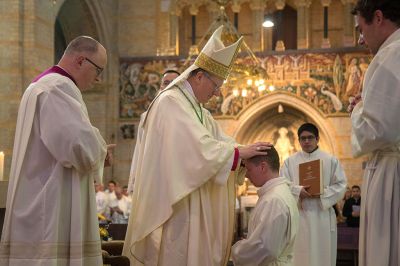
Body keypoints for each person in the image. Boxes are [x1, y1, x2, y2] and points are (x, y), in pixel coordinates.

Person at [122, 26, 271, 266]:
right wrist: (237, 153)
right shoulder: (170, 101)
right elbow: (195, 149)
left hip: (192, 202)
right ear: (199, 76)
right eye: (215, 86)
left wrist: (244, 151)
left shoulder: (198, 110)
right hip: (176, 205)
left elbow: (218, 142)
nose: (217, 93)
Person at [0, 36, 115, 265]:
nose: (98, 79)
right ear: (81, 61)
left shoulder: (41, 86)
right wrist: (101, 151)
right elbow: (76, 145)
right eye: (98, 70)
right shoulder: (58, 87)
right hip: (50, 206)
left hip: (40, 198)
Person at [349, 1, 400, 265]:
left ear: (378, 18)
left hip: (391, 172)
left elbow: (376, 131)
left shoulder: (391, 55)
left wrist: (357, 109)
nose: (359, 39)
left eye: (361, 28)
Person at [280, 123, 347, 266]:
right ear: (298, 140)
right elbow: (283, 185)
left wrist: (321, 193)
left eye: (310, 138)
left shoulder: (330, 160)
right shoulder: (289, 162)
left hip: (321, 215)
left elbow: (341, 184)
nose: (306, 141)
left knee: (321, 255)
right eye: (303, 138)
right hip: (300, 215)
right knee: (300, 256)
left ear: (317, 138)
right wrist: (298, 191)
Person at [231, 147, 299, 266]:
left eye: (249, 169)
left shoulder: (274, 200)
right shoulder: (280, 192)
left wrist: (236, 250)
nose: (246, 175)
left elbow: (265, 248)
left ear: (263, 167)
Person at [127, 69, 181, 194]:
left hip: (179, 178)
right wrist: (135, 181)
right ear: (160, 87)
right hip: (154, 178)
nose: (169, 86)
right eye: (166, 82)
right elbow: (140, 149)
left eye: (174, 82)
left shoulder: (190, 114)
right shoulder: (147, 117)